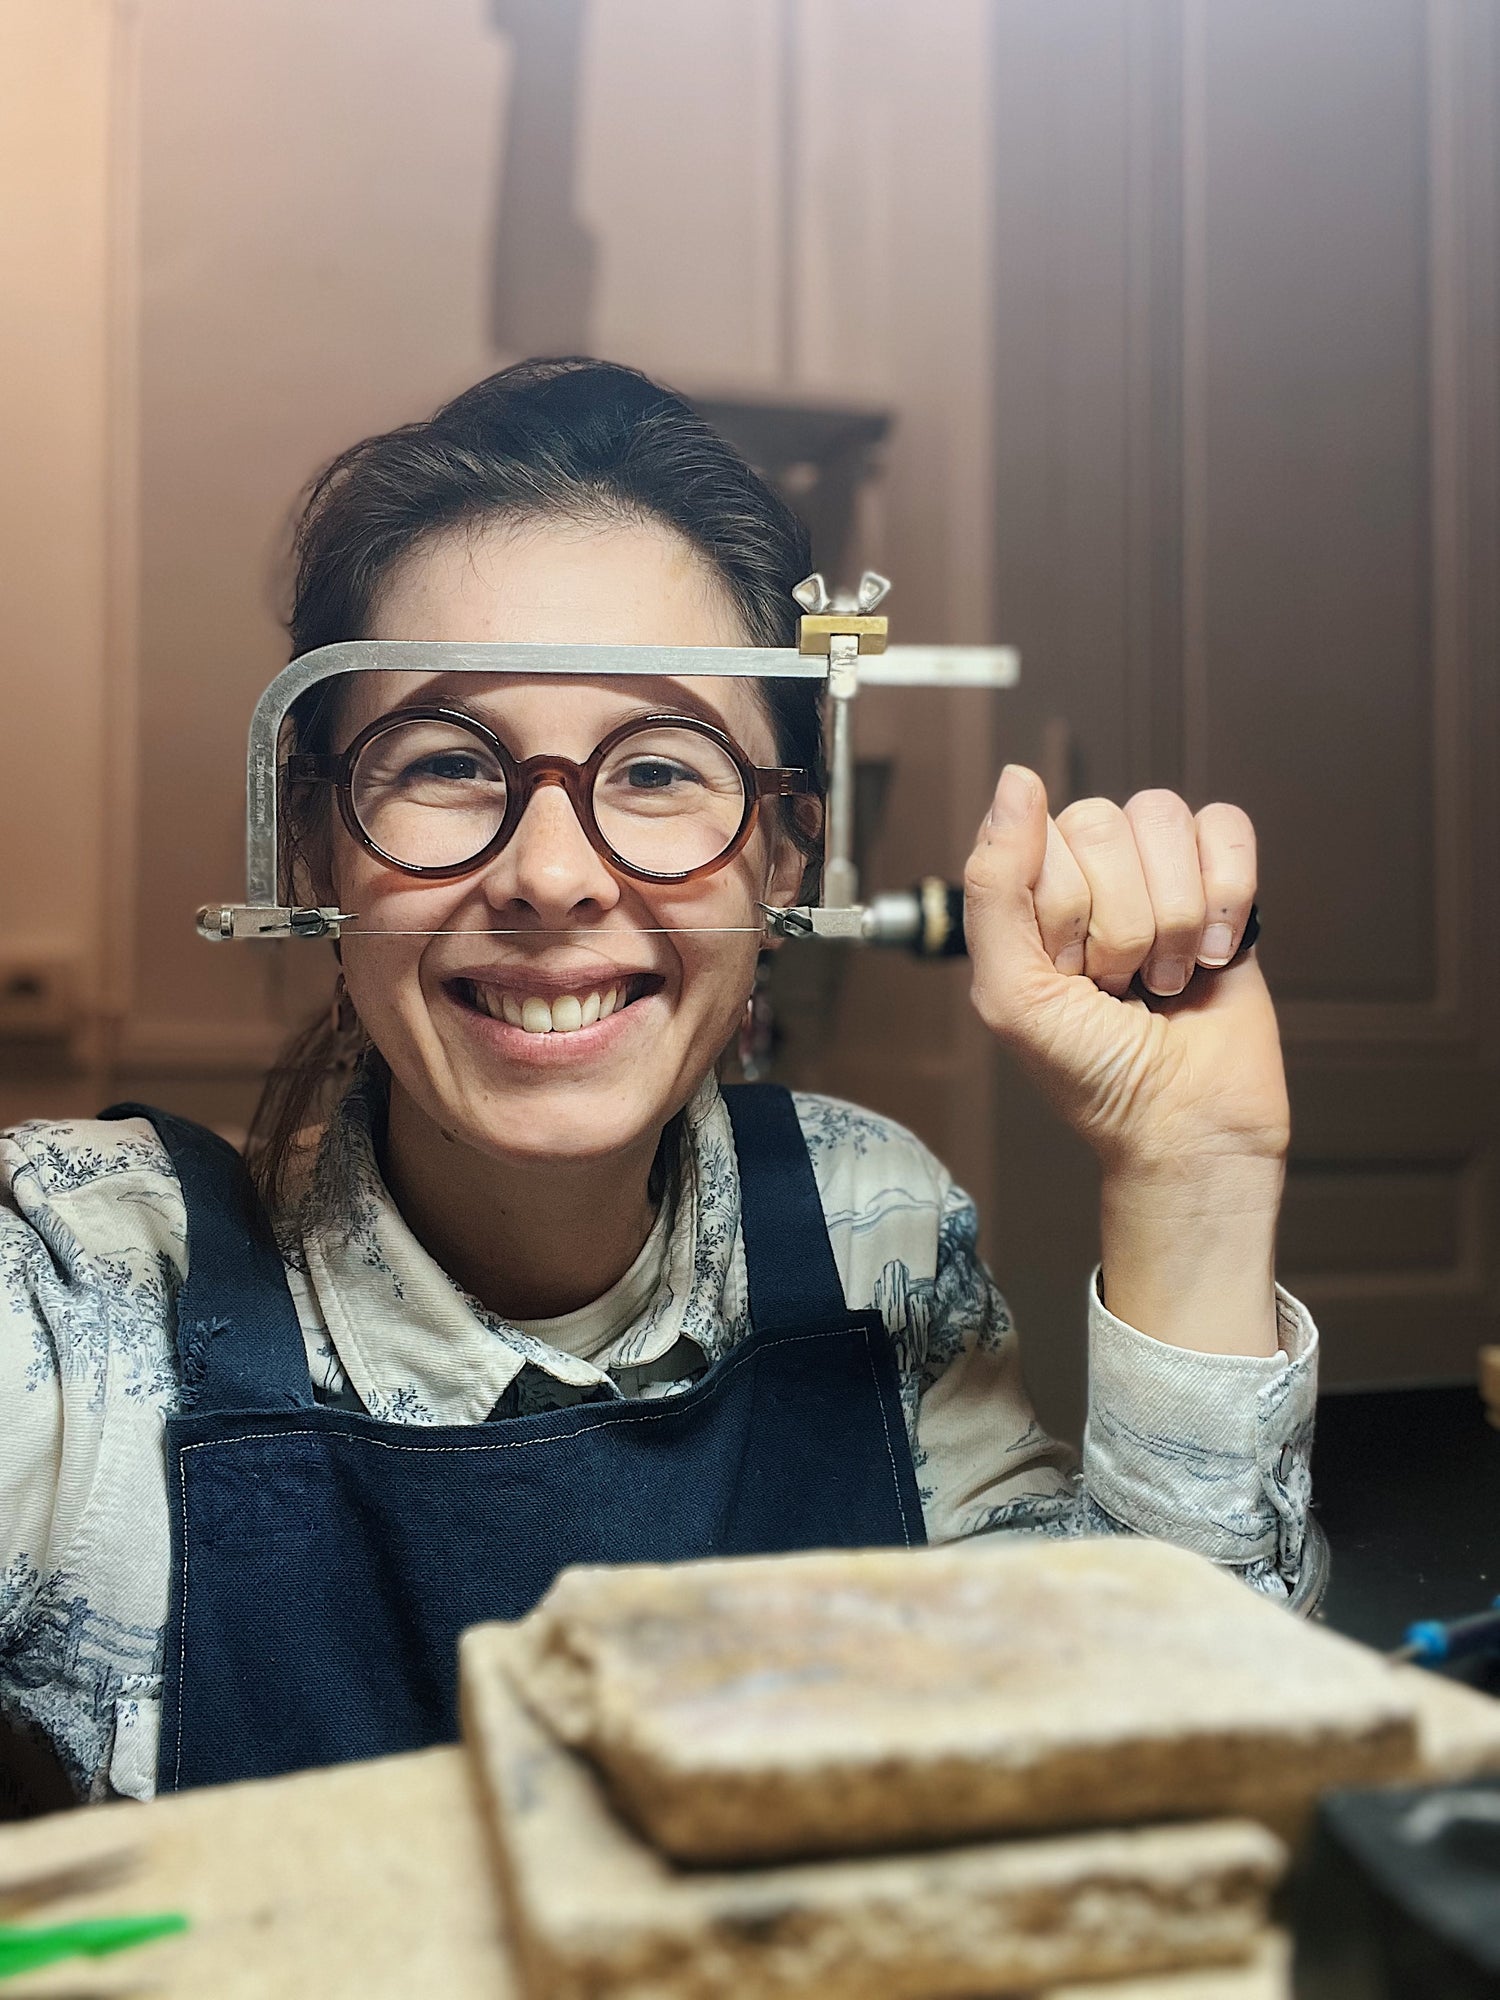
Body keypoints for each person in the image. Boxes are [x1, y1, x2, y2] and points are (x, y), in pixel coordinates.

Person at [0, 359, 1316, 1805]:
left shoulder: (866, 1228)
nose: (553, 876)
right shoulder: (77, 1290)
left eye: (657, 773)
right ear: (314, 847)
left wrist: (1191, 1180)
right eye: (445, 760)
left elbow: (1155, 1797)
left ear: (786, 856)